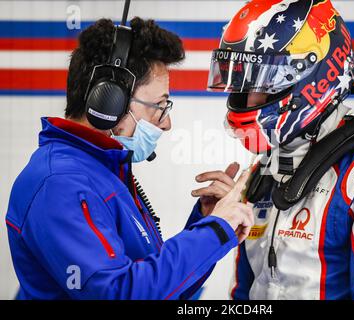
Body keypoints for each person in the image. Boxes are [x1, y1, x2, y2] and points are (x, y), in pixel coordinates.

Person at [5, 17, 254, 300]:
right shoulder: (60, 184)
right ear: (108, 101)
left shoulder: (98, 171)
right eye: (159, 106)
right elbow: (120, 294)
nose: (166, 122)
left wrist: (205, 223)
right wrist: (213, 232)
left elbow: (159, 289)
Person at [194, 0, 354, 299]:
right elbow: (244, 294)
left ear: (315, 78)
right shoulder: (260, 173)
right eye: (241, 83)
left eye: (261, 81)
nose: (246, 99)